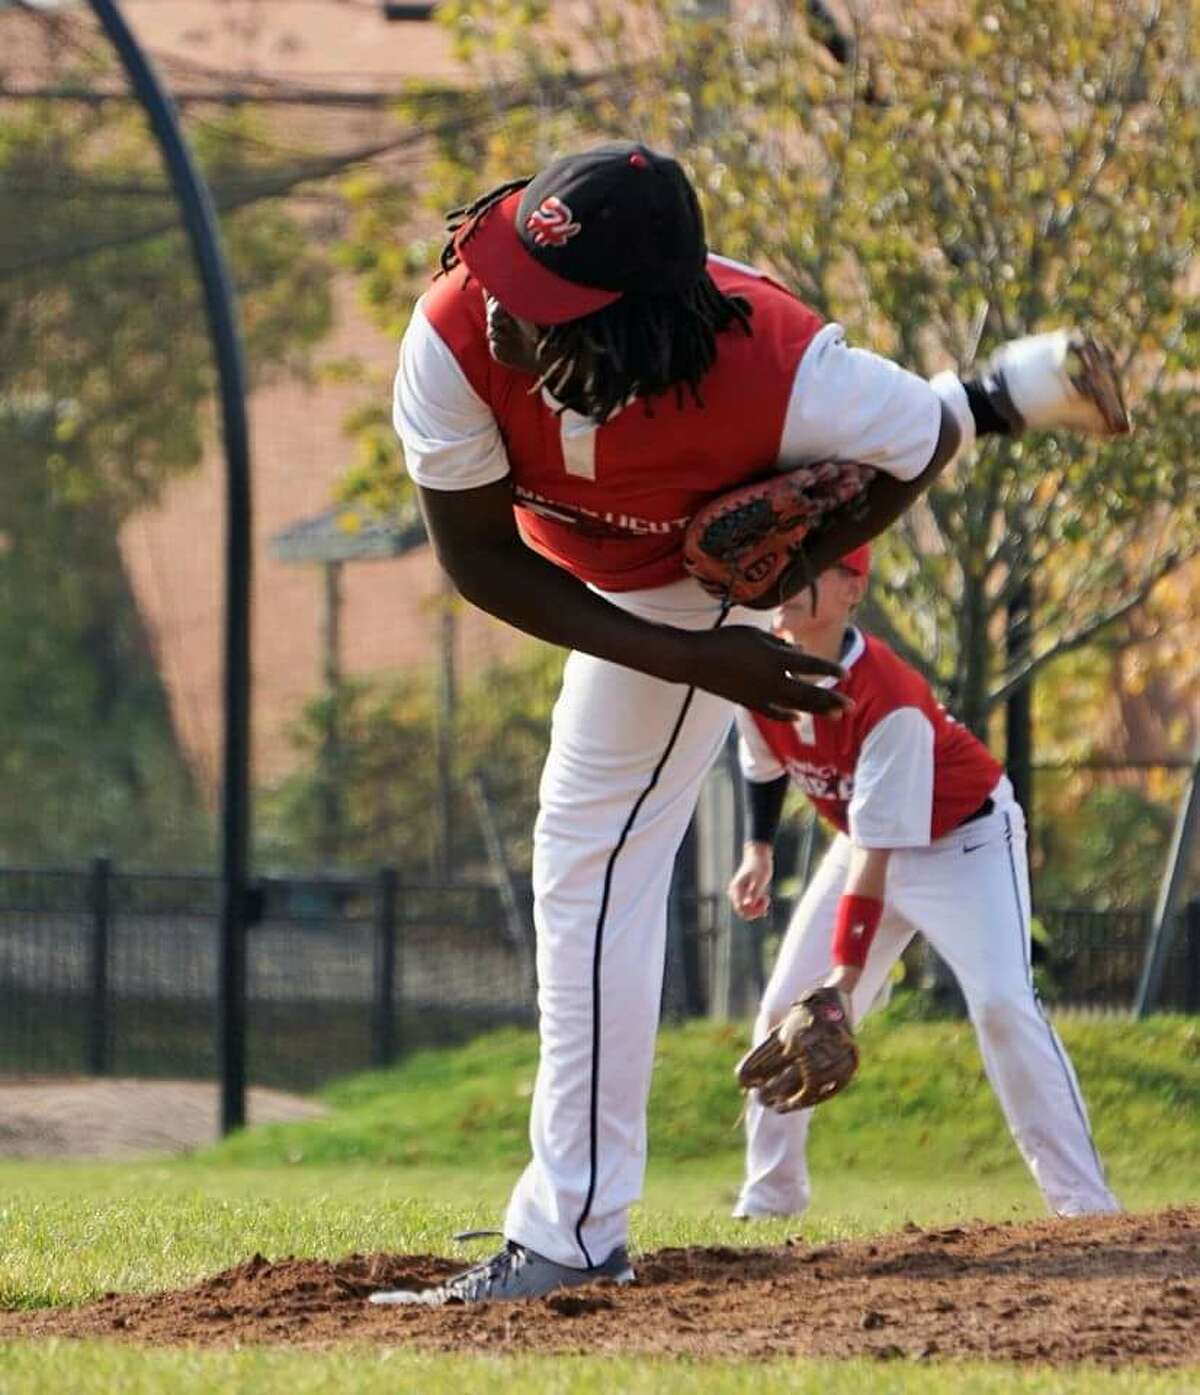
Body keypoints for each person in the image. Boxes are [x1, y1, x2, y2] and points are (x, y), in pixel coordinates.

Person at [369, 141, 1124, 1305]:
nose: (506, 306)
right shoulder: (458, 329)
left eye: (549, 303)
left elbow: (914, 442)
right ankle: (1010, 388)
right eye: (516, 268)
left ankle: (571, 1233)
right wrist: (692, 661)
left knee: (594, 862)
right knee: (584, 862)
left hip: (691, 567)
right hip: (639, 600)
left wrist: (788, 574)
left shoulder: (787, 369)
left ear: (644, 320)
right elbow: (478, 562)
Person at [728, 544, 1120, 1221]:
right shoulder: (757, 667)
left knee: (1001, 1003)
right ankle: (770, 1200)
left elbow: (878, 861)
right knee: (779, 1010)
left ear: (853, 590)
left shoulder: (889, 698)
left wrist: (845, 986)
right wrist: (757, 848)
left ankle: (1084, 1204)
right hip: (866, 839)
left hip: (963, 841)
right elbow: (764, 766)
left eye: (808, 568)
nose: (786, 582)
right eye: (782, 565)